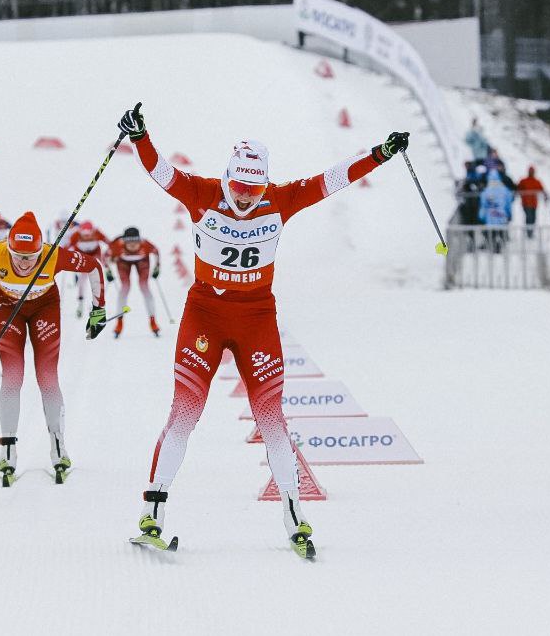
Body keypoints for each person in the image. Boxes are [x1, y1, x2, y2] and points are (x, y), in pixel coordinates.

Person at [117, 105, 409, 558]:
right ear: (227, 177)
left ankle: (295, 515)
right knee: (184, 412)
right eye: (238, 186)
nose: (245, 197)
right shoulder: (202, 193)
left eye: (253, 188)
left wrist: (380, 154)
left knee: (271, 416)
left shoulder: (280, 200)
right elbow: (160, 172)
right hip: (205, 316)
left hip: (256, 319)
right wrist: (141, 137)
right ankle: (152, 512)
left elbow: (330, 180)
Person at [0, 211, 108, 486]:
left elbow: (93, 266)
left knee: (47, 378)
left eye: (30, 257)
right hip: (7, 307)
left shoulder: (53, 255)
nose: (25, 264)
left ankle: (58, 447)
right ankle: (7, 450)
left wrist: (98, 309)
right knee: (12, 377)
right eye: (19, 257)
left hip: (44, 307)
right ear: (10, 248)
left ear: (40, 249)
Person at [107, 226, 161, 337]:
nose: (132, 245)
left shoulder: (145, 244)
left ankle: (153, 321)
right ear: (124, 240)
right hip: (123, 262)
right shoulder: (117, 245)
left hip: (142, 261)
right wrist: (108, 270)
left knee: (144, 287)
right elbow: (106, 256)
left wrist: (157, 267)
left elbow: (156, 252)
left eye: (135, 241)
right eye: (128, 241)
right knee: (125, 288)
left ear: (139, 239)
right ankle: (119, 322)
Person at [67, 220, 109, 318]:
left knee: (99, 273)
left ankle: (97, 304)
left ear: (92, 231)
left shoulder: (97, 232)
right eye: (84, 234)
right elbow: (67, 246)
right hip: (83, 256)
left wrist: (111, 253)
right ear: (80, 231)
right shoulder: (76, 234)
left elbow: (109, 242)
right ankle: (80, 305)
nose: (86, 236)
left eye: (88, 234)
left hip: (95, 253)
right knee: (82, 280)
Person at [479, 170, 514, 254]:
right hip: (501, 215)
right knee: (501, 230)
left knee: (492, 231)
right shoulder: (505, 190)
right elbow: (508, 203)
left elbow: (483, 204)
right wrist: (509, 213)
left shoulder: (486, 191)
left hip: (490, 216)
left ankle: (493, 244)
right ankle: (499, 244)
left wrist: (481, 216)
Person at [517, 166, 545, 238]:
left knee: (533, 218)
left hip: (534, 204)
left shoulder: (536, 181)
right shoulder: (523, 181)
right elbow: (518, 189)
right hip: (526, 203)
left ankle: (531, 231)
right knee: (528, 217)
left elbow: (542, 189)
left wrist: (545, 196)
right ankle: (528, 232)